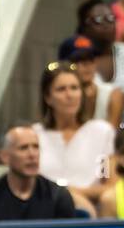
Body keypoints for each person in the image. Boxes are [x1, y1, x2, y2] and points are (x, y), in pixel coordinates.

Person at [36, 62, 116, 210]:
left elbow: (110, 185)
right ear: (48, 97)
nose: (69, 95)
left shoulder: (101, 132)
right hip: (44, 210)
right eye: (61, 89)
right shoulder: (34, 135)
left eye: (74, 88)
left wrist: (72, 194)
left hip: (88, 210)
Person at [0, 124, 78, 221]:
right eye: (23, 148)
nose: (32, 155)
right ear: (5, 157)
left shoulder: (59, 197)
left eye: (36, 147)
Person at [62, 34, 124, 127]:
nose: (86, 64)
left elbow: (109, 136)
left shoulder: (112, 94)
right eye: (78, 60)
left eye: (90, 59)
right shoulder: (60, 96)